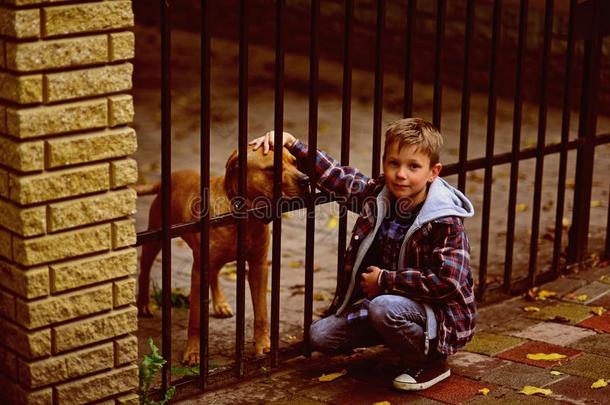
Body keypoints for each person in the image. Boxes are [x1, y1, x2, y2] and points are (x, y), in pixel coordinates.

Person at [249, 118, 476, 391]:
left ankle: (432, 361)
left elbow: (447, 283)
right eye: (394, 163)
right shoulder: (380, 196)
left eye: (413, 166)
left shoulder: (444, 221)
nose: (401, 174)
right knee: (321, 336)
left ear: (433, 172)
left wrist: (385, 281)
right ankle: (398, 338)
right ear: (384, 163)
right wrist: (293, 144)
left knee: (383, 307)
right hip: (392, 304)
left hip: (438, 316)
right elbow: (339, 179)